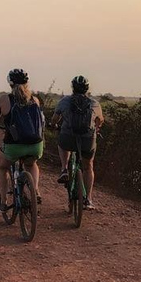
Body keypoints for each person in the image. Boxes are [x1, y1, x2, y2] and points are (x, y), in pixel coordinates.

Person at [0, 69, 44, 212]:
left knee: (2, 167)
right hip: (35, 145)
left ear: (10, 83)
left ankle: (3, 202)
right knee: (31, 163)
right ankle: (35, 190)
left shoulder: (5, 99)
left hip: (14, 145)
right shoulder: (35, 100)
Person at [50, 75, 104, 210]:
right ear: (87, 88)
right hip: (87, 139)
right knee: (88, 166)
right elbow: (100, 120)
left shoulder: (64, 101)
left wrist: (55, 126)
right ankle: (88, 199)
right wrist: (96, 129)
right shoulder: (94, 103)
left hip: (68, 137)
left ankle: (64, 169)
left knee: (62, 144)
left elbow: (55, 119)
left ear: (72, 87)